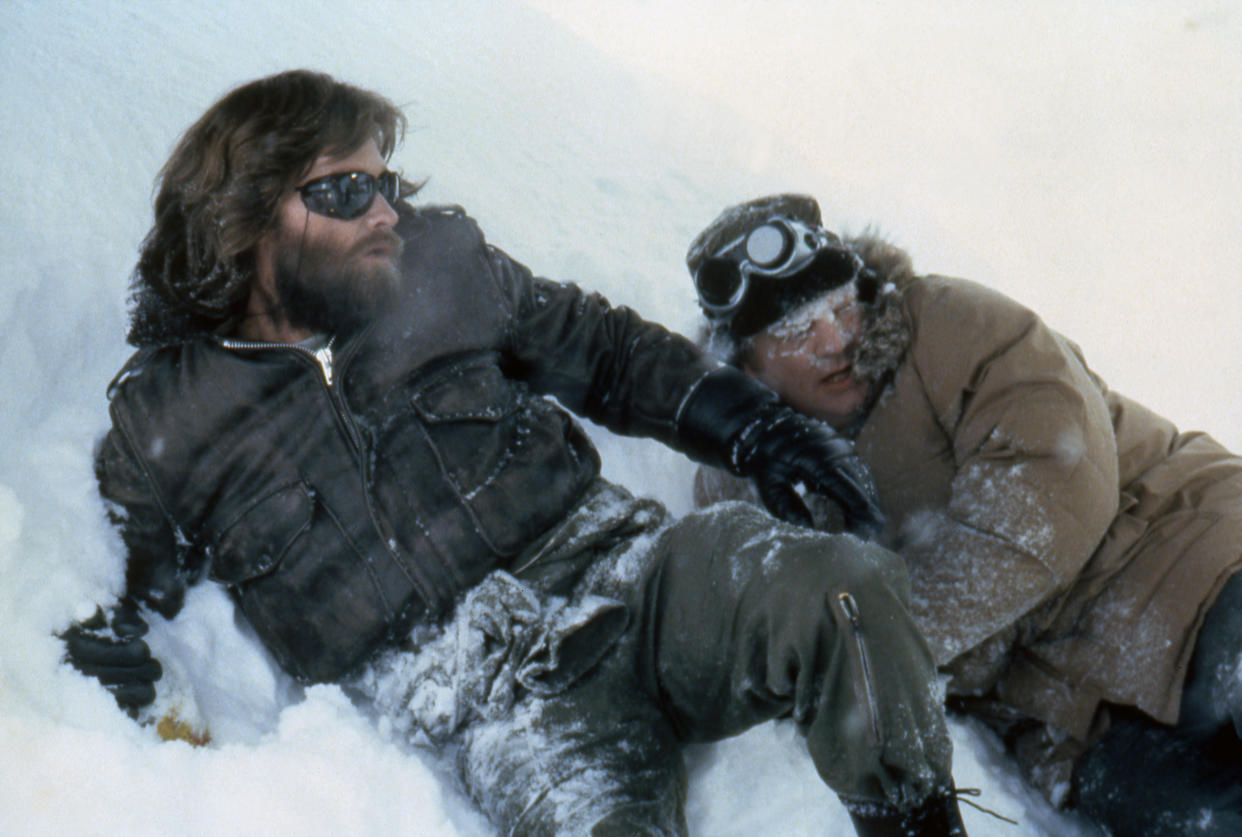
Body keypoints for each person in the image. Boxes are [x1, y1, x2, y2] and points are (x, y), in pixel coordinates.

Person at [59, 72, 972, 836]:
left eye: (386, 182)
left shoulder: (443, 266)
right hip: (490, 695)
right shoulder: (164, 427)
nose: (383, 211)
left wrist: (754, 424)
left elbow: (606, 353)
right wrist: (124, 686)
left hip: (636, 574)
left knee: (841, 588)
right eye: (344, 190)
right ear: (244, 217)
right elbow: (103, 589)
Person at [685, 193, 1242, 836]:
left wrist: (884, 646)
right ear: (745, 358)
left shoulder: (952, 324)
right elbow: (757, 631)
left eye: (842, 309)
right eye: (797, 330)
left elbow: (1054, 489)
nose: (836, 340)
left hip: (1180, 554)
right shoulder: (741, 479)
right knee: (1207, 821)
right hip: (1066, 709)